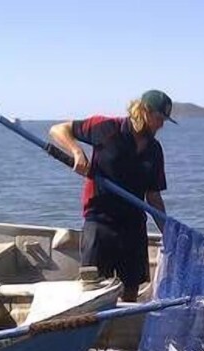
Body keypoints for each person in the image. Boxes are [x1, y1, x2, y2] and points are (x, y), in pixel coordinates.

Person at [49, 90, 176, 301]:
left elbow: (153, 197)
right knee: (93, 291)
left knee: (131, 291)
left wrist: (168, 232)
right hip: (100, 223)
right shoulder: (106, 127)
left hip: (134, 226)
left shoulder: (154, 150)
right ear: (144, 111)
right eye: (159, 119)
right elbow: (57, 130)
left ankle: (123, 329)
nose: (161, 125)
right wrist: (77, 152)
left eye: (164, 120)